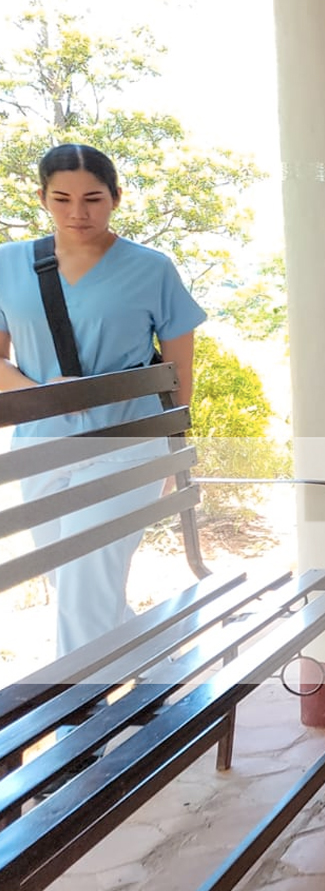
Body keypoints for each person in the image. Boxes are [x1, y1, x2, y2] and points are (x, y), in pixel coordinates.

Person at [0, 143, 205, 657]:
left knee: (85, 581)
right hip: (39, 447)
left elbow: (177, 380)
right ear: (43, 198)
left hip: (129, 443)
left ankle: (85, 726)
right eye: (61, 198)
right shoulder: (8, 264)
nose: (77, 212)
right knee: (71, 584)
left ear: (115, 197)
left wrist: (165, 457)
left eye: (92, 198)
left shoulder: (151, 268)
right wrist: (44, 395)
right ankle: (159, 671)